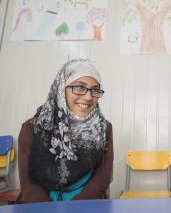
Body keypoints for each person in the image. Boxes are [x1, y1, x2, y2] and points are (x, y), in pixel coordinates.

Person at [17, 59, 114, 202]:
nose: (88, 97)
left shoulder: (103, 128)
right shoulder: (32, 127)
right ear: (61, 90)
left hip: (86, 205)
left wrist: (75, 208)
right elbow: (30, 181)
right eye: (80, 87)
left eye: (95, 90)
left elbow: (102, 176)